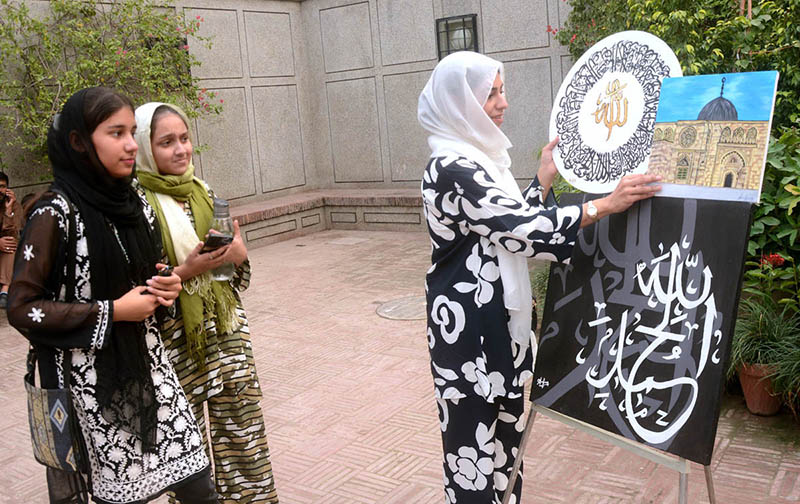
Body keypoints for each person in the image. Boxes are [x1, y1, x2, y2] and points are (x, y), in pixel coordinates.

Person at [417, 51, 661, 504]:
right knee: (472, 451)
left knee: (506, 443)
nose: (503, 102)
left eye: (501, 90)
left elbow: (502, 223)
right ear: (460, 105)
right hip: (468, 332)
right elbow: (516, 229)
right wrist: (602, 205)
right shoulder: (452, 167)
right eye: (489, 94)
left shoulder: (481, 161)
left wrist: (542, 181)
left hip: (497, 327)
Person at [8, 87, 219, 504]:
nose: (129, 145)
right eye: (115, 133)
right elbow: (21, 308)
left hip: (150, 365)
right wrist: (113, 311)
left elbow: (149, 270)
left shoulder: (133, 200)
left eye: (132, 132)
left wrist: (167, 284)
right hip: (91, 383)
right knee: (123, 495)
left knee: (198, 483)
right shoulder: (53, 212)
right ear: (79, 142)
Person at [133, 102, 278, 504]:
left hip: (228, 340)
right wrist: (187, 269)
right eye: (166, 143)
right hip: (176, 346)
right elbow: (138, 289)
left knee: (245, 443)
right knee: (191, 458)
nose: (180, 150)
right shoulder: (135, 209)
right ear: (145, 148)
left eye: (184, 138)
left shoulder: (205, 192)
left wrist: (239, 255)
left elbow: (233, 280)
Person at [0, 171, 24, 309]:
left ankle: (5, 290)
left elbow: (16, 233)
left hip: (6, 256)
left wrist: (8, 212)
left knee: (10, 243)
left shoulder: (14, 205)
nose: (0, 190)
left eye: (3, 186)